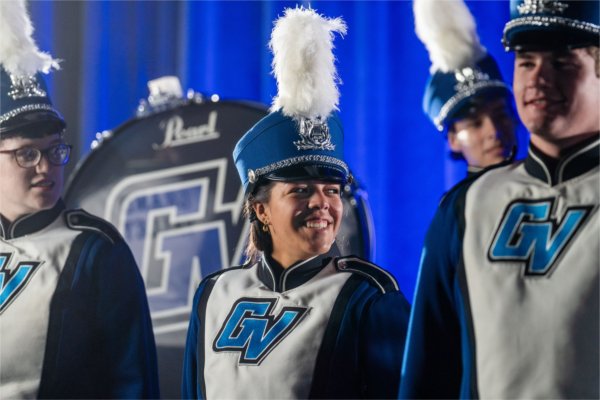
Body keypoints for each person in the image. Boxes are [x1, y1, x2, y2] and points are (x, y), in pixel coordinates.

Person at [182, 7, 410, 399]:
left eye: (332, 190)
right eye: (300, 190)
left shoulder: (368, 297)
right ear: (260, 209)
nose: (322, 203)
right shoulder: (214, 294)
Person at [399, 0, 599, 398]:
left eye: (561, 62)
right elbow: (427, 375)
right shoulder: (465, 207)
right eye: (526, 61)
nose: (538, 78)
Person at [0, 1, 159, 398]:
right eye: (27, 153)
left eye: (54, 150)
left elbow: (132, 383)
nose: (46, 167)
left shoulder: (96, 249)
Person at [414, 0, 518, 176]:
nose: (493, 131)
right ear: (453, 139)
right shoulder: (457, 204)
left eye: (501, 115)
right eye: (476, 123)